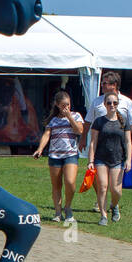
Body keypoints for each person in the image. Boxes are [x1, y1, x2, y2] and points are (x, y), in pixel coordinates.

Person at [31, 90, 84, 223]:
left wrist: (69, 117)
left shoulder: (76, 115)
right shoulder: (53, 120)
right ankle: (58, 212)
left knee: (70, 182)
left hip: (70, 154)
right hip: (55, 155)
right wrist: (40, 149)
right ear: (57, 105)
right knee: (56, 185)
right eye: (63, 105)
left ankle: (68, 207)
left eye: (68, 105)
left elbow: (79, 131)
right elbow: (46, 135)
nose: (66, 108)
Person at [87, 92, 132, 225]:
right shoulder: (99, 121)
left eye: (114, 103)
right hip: (101, 158)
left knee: (116, 190)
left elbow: (128, 142)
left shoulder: (123, 121)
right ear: (104, 104)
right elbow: (93, 142)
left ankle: (114, 205)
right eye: (109, 103)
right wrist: (90, 160)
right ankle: (103, 216)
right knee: (102, 187)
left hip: (118, 159)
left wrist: (129, 160)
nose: (112, 105)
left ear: (118, 104)